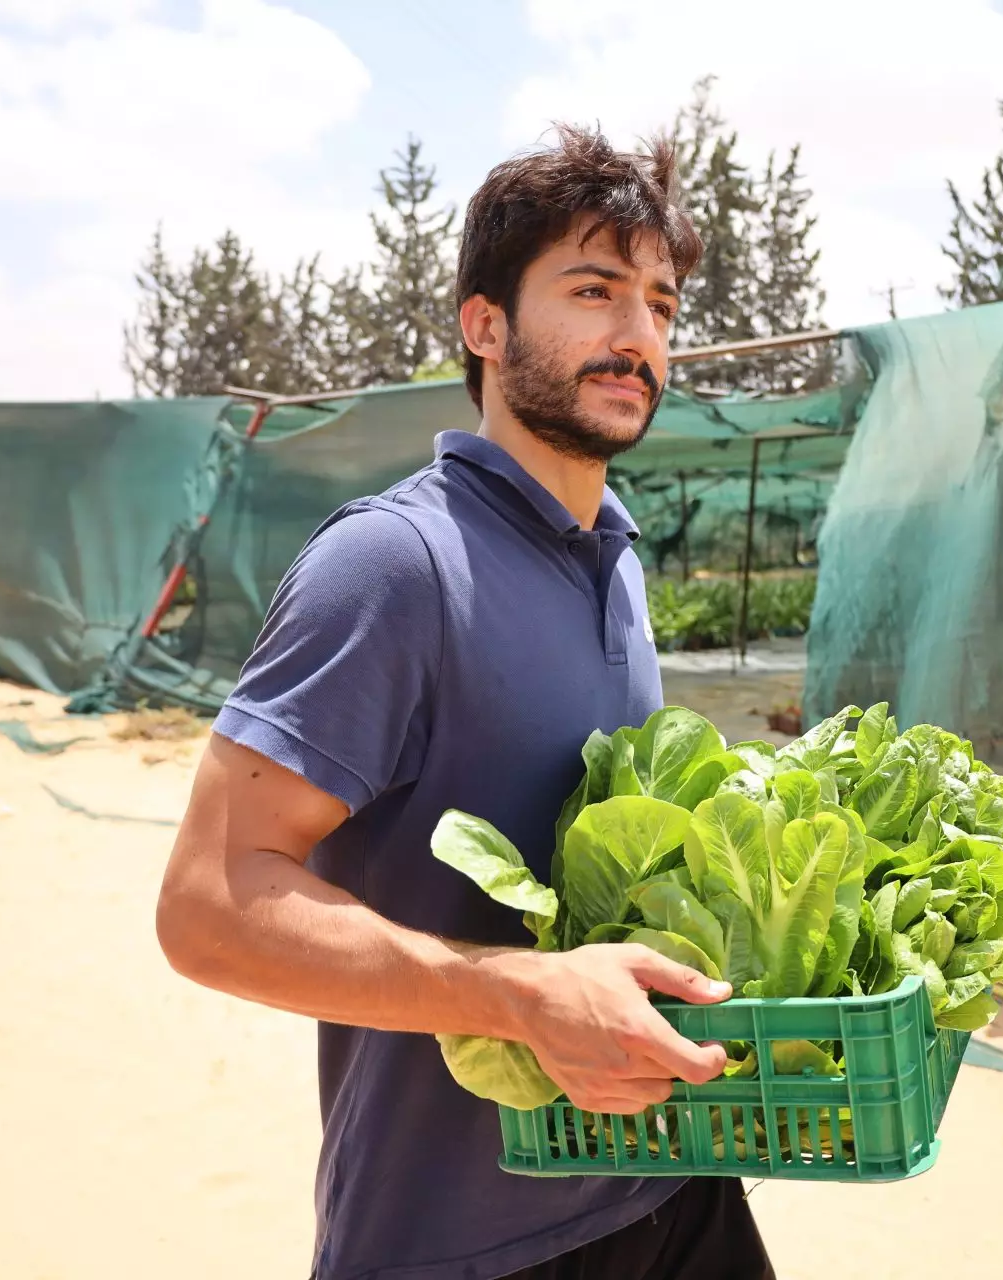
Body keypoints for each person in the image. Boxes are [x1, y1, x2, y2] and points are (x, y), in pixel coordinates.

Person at [155, 124, 777, 1280]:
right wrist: (524, 996)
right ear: (484, 325)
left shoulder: (620, 559)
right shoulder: (395, 565)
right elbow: (205, 907)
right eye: (593, 290)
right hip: (463, 1240)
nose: (636, 333)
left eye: (661, 301)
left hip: (677, 1184)